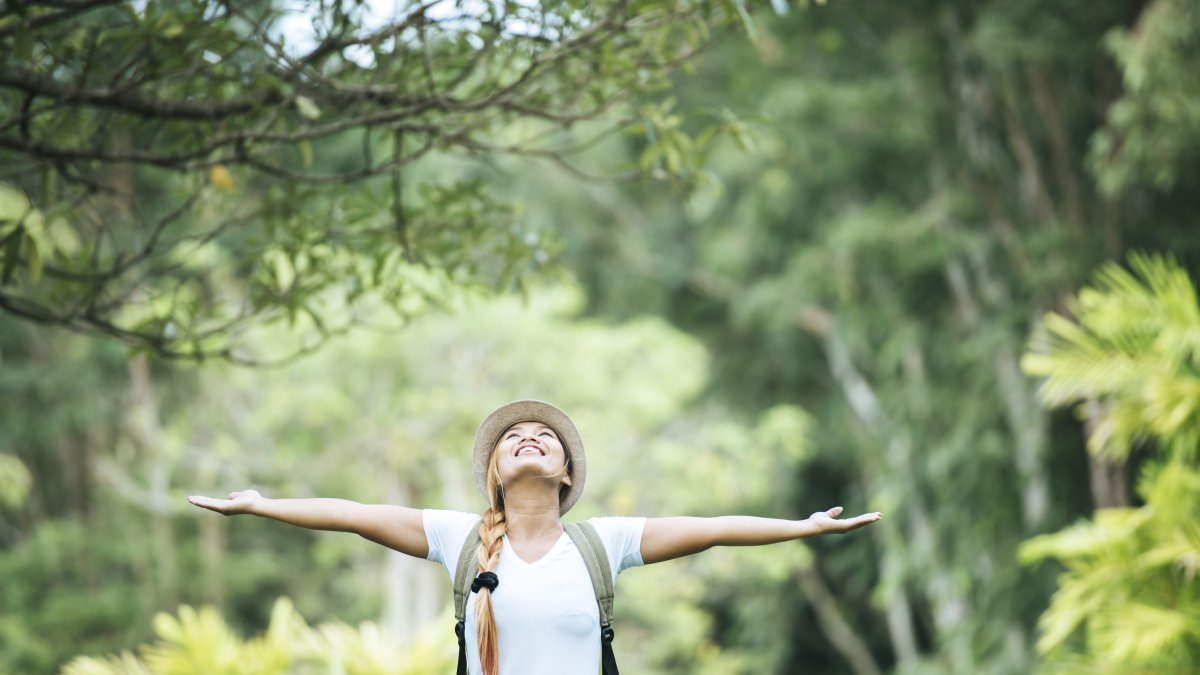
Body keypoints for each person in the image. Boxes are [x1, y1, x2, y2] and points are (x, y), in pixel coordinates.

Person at [188, 399, 882, 675]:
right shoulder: (456, 537)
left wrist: (801, 527)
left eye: (544, 437)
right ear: (496, 470)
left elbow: (710, 530)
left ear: (565, 472)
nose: (529, 439)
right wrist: (263, 504)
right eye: (515, 437)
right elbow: (352, 511)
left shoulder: (601, 544)